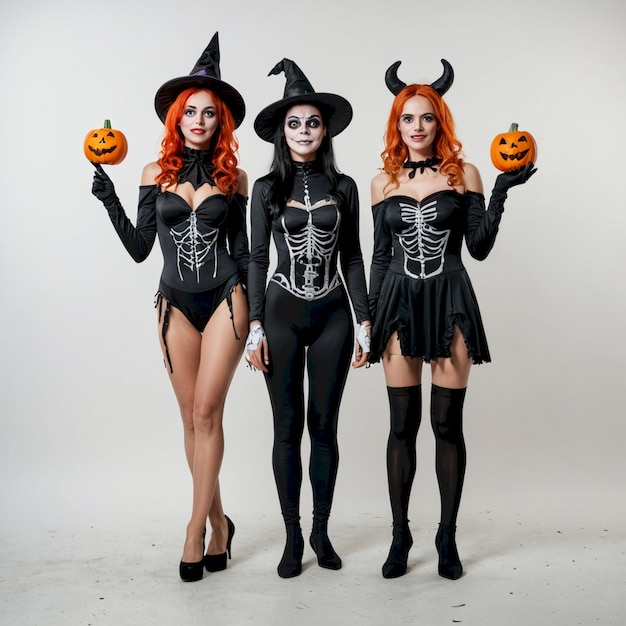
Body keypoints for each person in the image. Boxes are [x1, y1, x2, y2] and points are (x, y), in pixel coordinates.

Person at [90, 33, 249, 582]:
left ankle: (194, 529)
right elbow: (140, 249)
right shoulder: (151, 175)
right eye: (191, 111)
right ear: (177, 119)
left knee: (208, 413)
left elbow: (246, 253)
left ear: (220, 122)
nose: (200, 120)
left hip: (228, 299)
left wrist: (253, 329)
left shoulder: (236, 178)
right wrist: (110, 198)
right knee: (189, 417)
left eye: (210, 112)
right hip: (173, 302)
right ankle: (222, 523)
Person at [368, 60, 536, 580]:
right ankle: (400, 537)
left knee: (445, 423)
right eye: (407, 119)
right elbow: (377, 256)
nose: (417, 127)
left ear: (441, 124)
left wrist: (503, 192)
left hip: (451, 298)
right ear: (397, 126)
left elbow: (479, 248)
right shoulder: (381, 182)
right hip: (397, 302)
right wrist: (367, 321)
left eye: (427, 118)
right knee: (402, 424)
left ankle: (446, 536)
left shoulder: (465, 175)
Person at [246, 59, 371, 578]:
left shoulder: (344, 186)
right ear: (282, 132)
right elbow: (255, 258)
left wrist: (365, 321)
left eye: (312, 122)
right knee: (286, 427)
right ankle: (292, 534)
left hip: (334, 315)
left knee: (325, 425)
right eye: (294, 123)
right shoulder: (264, 188)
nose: (303, 131)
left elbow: (354, 258)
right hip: (281, 310)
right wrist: (253, 326)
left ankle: (321, 528)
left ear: (325, 130)